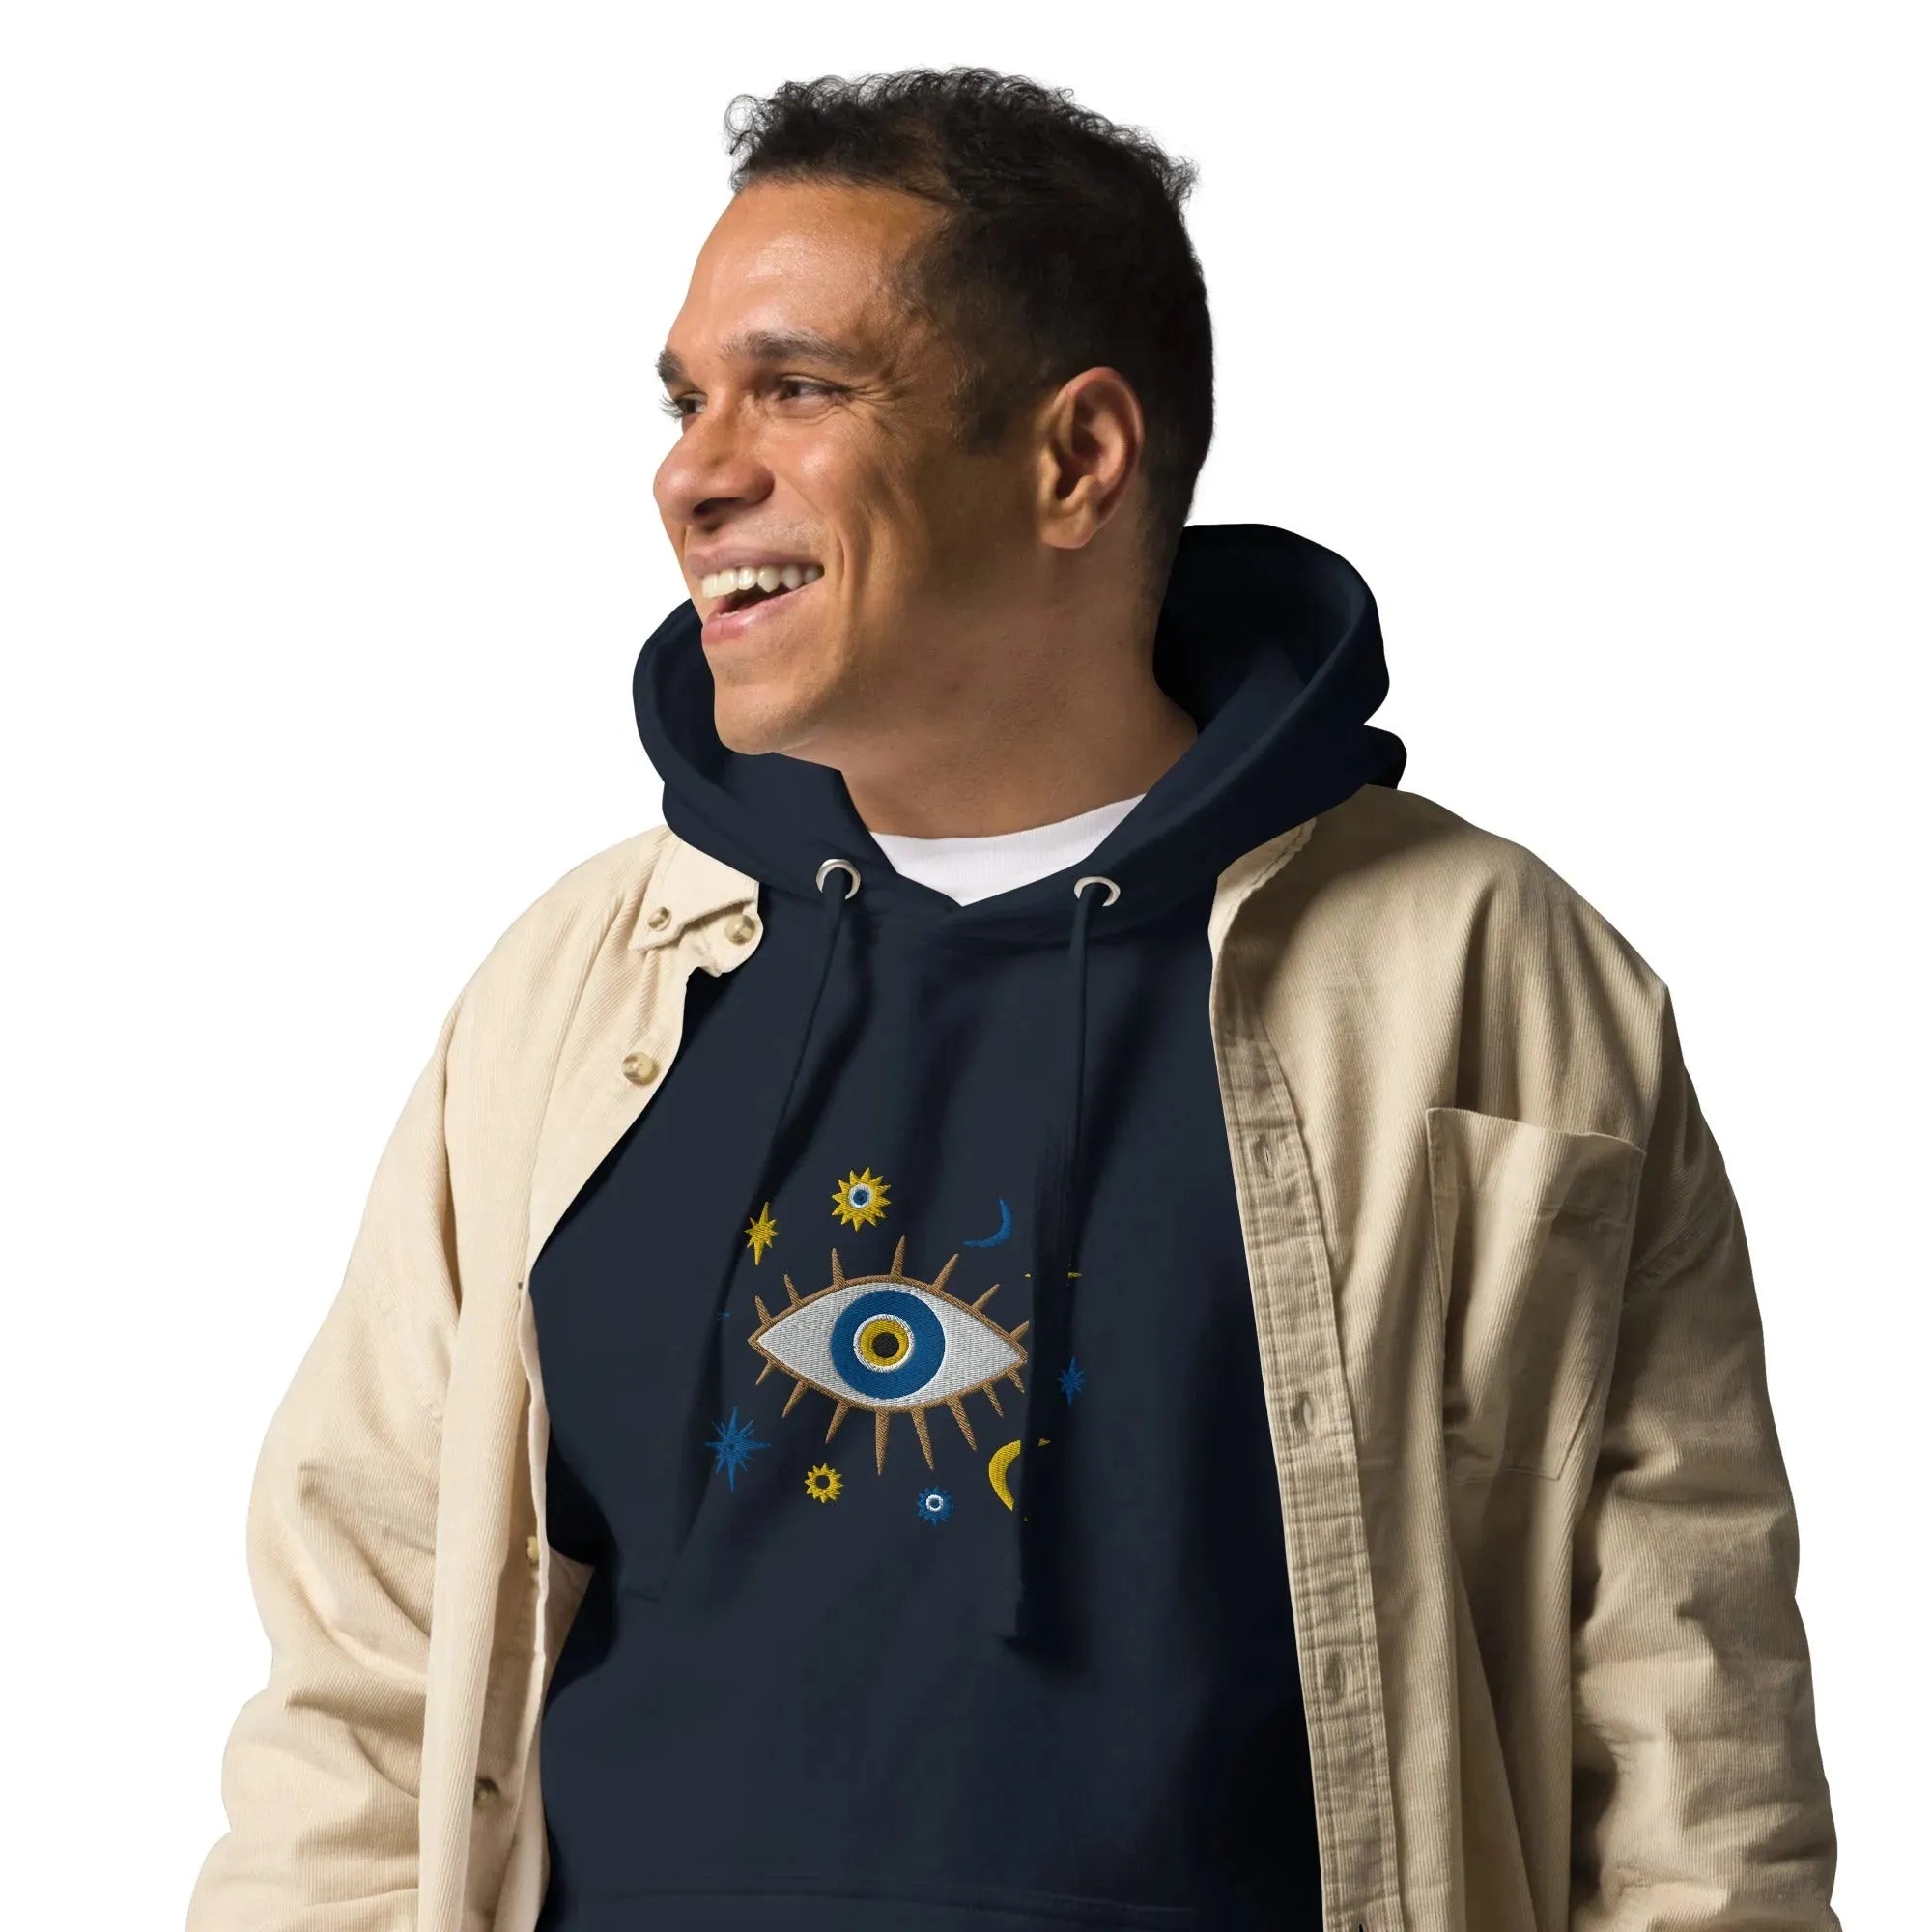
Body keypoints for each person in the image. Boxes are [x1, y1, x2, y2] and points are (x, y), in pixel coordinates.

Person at [185, 65, 1840, 1932]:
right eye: (686, 399)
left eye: (796, 388)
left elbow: (1695, 1745)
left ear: (1076, 459)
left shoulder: (1490, 982)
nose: (692, 472)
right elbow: (363, 1679)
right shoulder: (575, 991)